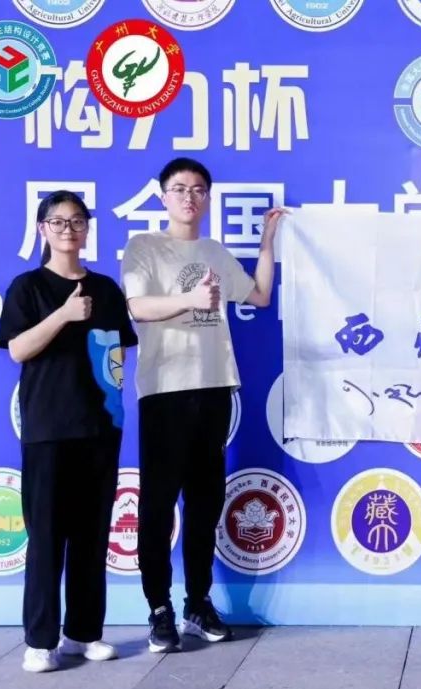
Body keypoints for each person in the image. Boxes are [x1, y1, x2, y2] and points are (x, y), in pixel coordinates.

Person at [120, 157, 283, 653]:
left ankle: (197, 602)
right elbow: (137, 307)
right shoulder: (144, 246)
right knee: (157, 504)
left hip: (214, 387)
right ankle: (159, 608)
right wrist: (190, 300)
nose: (189, 197)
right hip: (165, 389)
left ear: (207, 198)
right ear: (163, 196)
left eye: (197, 189)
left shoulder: (214, 251)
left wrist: (266, 244)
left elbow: (259, 296)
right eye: (179, 189)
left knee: (205, 503)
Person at [0, 190, 137, 673]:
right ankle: (40, 641)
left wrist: (111, 409)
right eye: (58, 222)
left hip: (99, 428)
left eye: (78, 221)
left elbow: (118, 353)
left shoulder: (106, 289)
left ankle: (83, 633)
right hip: (48, 429)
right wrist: (62, 315)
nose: (69, 230)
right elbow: (17, 350)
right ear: (43, 229)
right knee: (47, 537)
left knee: (91, 536)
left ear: (87, 229)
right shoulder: (28, 287)